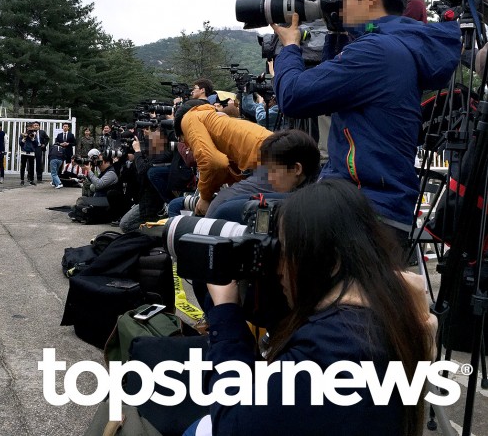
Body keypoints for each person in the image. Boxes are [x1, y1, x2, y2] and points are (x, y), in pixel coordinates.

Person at [186, 179, 435, 436]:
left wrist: (226, 310)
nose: (278, 268)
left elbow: (230, 425)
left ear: (326, 259)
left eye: (285, 251)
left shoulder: (330, 348)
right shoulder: (388, 307)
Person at [272, 0, 460, 250]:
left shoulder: (377, 52)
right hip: (376, 209)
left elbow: (293, 96)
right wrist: (336, 33)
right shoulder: (393, 46)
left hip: (366, 215)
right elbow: (336, 88)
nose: (339, 5)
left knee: (248, 223)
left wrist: (290, 47)